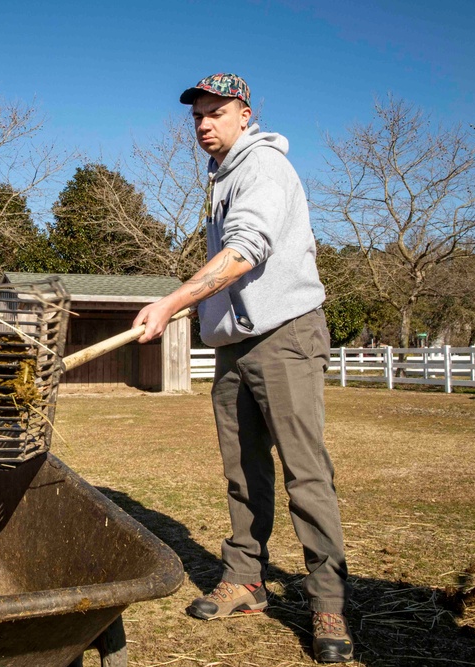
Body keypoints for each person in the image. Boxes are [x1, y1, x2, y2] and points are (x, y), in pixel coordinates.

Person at [132, 74, 353, 664]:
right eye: (197, 115)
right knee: (243, 469)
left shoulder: (264, 169)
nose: (204, 124)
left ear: (244, 114)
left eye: (216, 113)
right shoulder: (220, 176)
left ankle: (327, 599)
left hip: (284, 335)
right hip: (234, 343)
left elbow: (246, 248)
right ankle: (245, 578)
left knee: (304, 472)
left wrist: (172, 303)